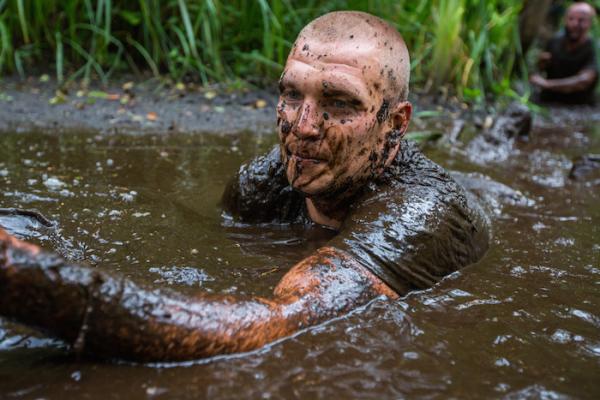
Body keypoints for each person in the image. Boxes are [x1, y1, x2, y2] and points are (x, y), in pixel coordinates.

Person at [0, 11, 489, 362]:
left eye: (338, 103)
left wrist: (26, 279)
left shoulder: (421, 212)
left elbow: (281, 325)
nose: (302, 126)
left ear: (395, 124)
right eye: (291, 94)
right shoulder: (265, 182)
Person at [530, 2, 598, 104]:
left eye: (581, 20)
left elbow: (584, 81)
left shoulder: (594, 48)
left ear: (589, 23)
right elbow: (538, 70)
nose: (575, 24)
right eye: (571, 19)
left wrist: (547, 84)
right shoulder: (554, 41)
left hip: (580, 104)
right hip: (550, 100)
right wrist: (541, 63)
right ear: (565, 20)